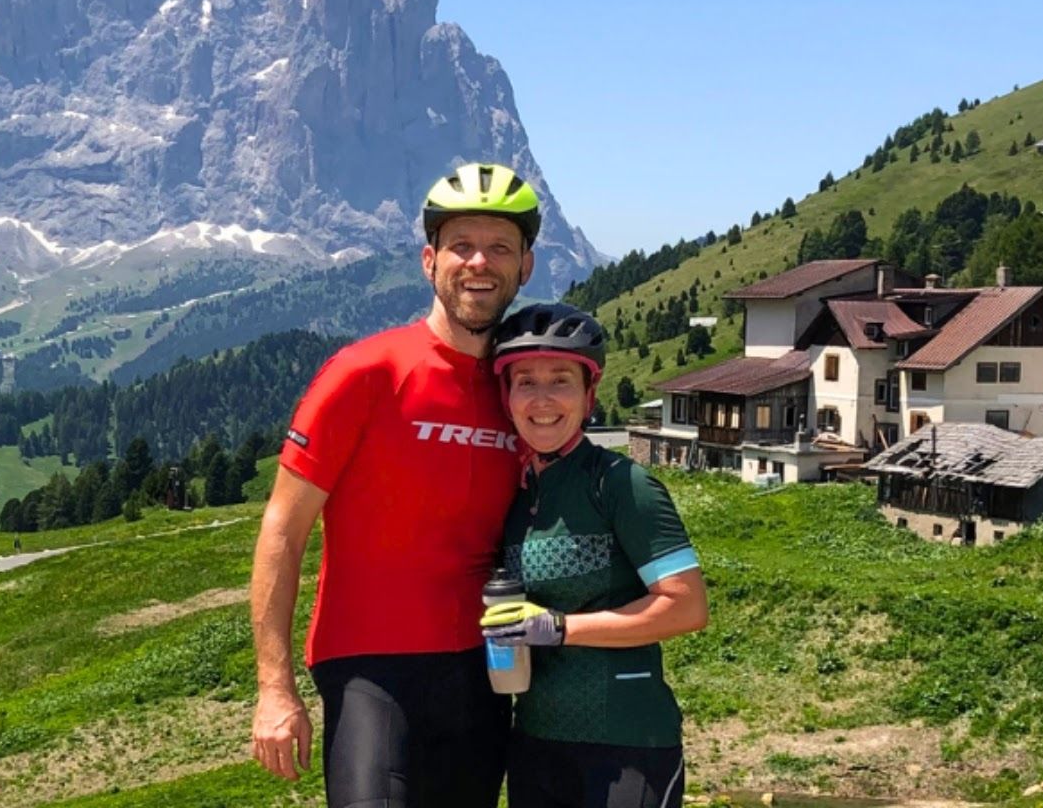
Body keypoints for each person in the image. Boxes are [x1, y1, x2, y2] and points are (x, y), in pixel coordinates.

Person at [250, 161, 541, 807]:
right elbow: (283, 527)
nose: (479, 263)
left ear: (525, 266)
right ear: (429, 260)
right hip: (367, 664)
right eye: (462, 245)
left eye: (499, 248)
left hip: (482, 669)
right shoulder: (364, 373)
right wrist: (274, 688)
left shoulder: (522, 391)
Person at [481, 304, 708, 808]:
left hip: (627, 743)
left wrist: (560, 628)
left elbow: (687, 607)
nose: (542, 400)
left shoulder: (623, 484)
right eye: (525, 382)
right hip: (537, 742)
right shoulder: (517, 499)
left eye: (560, 380)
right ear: (507, 397)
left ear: (589, 395)